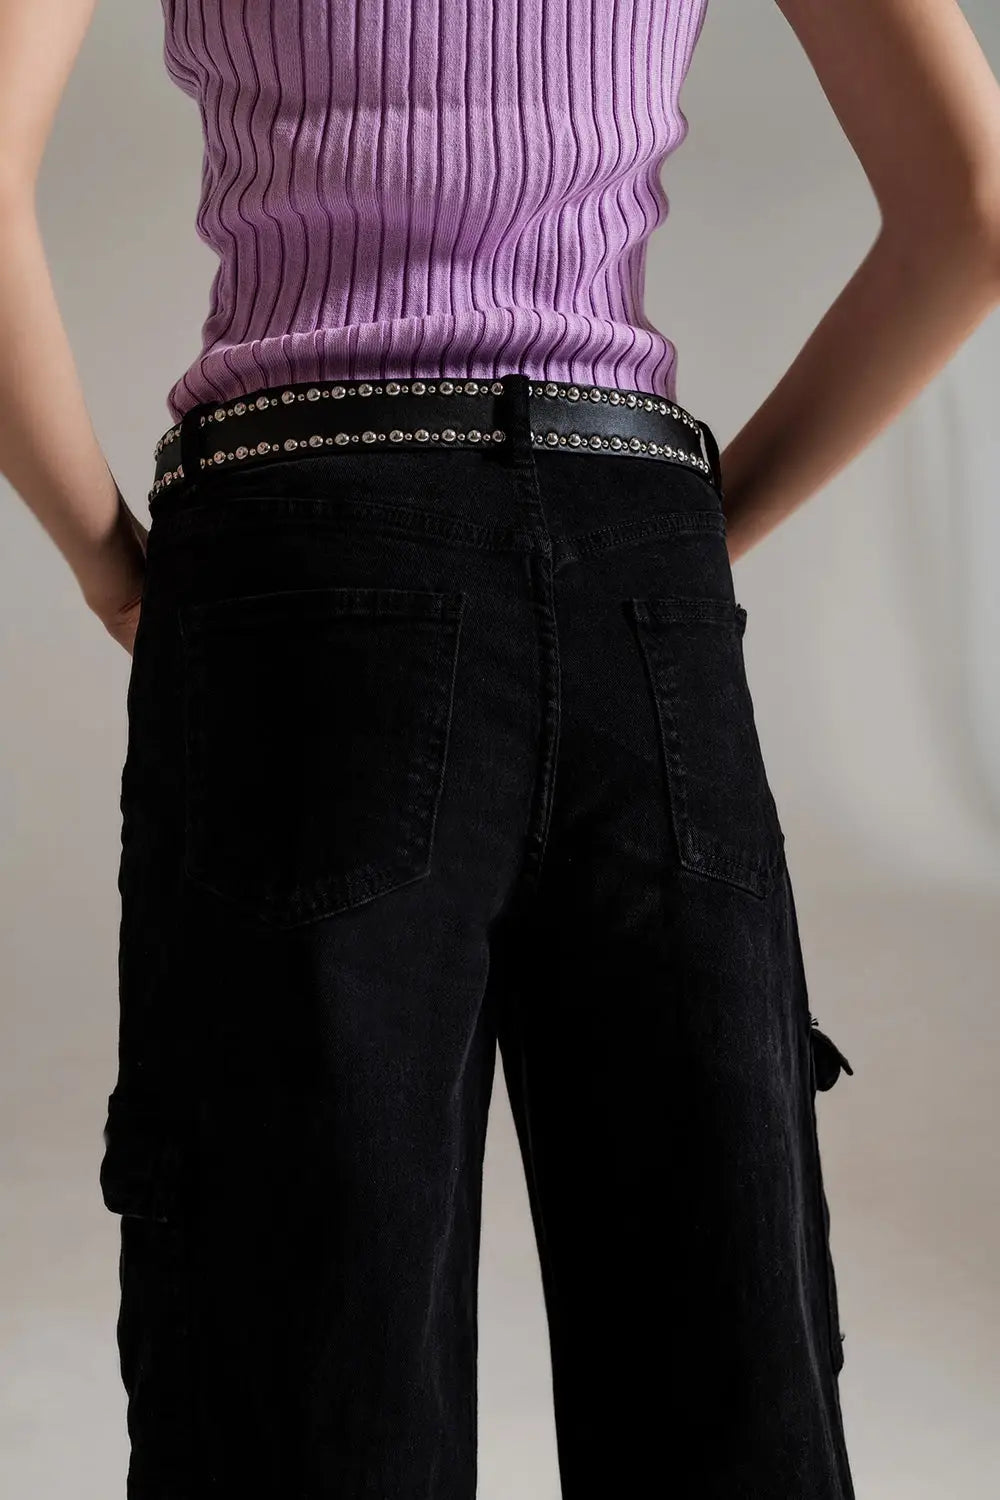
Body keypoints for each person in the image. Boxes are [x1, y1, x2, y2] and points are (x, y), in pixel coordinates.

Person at [3, 1, 1000, 1495]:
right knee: (722, 1365)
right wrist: (681, 547)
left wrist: (111, 566)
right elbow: (974, 207)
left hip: (308, 547)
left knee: (302, 1371)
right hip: (632, 554)